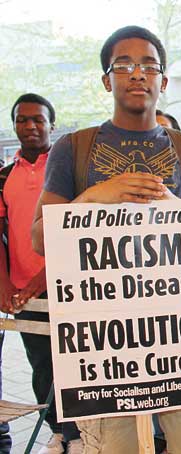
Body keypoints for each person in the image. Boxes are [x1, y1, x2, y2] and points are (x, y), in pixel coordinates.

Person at [30, 25, 181, 454]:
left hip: (179, 338)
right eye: (124, 65)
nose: (137, 74)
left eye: (149, 65)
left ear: (163, 81)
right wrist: (93, 197)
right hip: (104, 343)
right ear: (106, 79)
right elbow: (40, 238)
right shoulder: (73, 148)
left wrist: (172, 204)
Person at [0, 93, 83, 454]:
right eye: (22, 119)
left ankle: (80, 434)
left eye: (38, 119)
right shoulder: (3, 176)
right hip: (23, 292)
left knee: (74, 364)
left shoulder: (68, 172)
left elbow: (79, 233)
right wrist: (4, 284)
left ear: (52, 123)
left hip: (66, 286)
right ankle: (58, 431)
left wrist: (44, 278)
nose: (30, 126)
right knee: (41, 367)